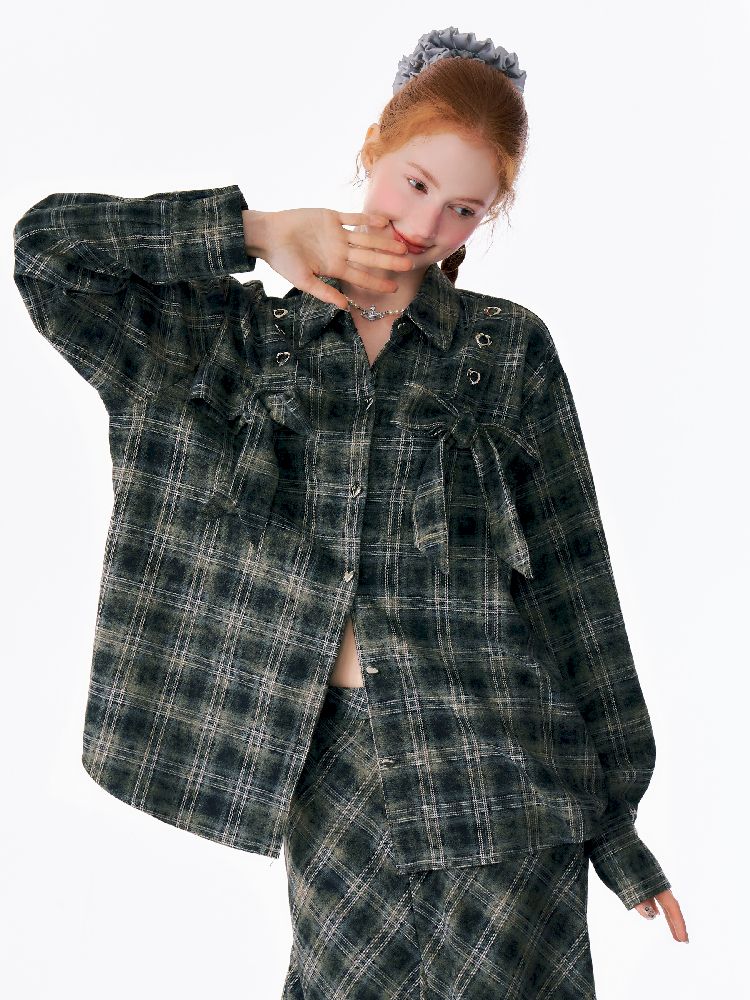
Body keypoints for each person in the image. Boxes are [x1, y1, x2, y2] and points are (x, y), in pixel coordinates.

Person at [13, 24, 687, 999]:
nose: (426, 222)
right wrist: (254, 231)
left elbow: (575, 591)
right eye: (415, 182)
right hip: (329, 770)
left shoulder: (508, 352)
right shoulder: (228, 344)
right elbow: (48, 252)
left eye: (464, 208)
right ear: (374, 148)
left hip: (507, 780)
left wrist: (617, 830)